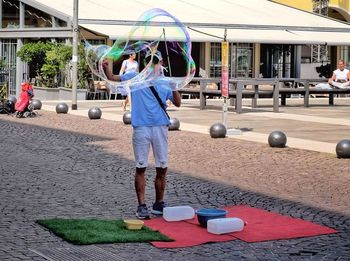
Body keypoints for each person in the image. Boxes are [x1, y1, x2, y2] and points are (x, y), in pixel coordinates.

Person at [104, 50, 181, 219]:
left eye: (156, 61)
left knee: (162, 167)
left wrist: (174, 87)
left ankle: (159, 204)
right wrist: (106, 67)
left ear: (161, 63)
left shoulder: (164, 82)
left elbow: (178, 102)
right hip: (141, 128)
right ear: (145, 63)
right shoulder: (134, 77)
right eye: (150, 61)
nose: (153, 65)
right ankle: (142, 205)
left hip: (160, 126)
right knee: (141, 167)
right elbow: (113, 77)